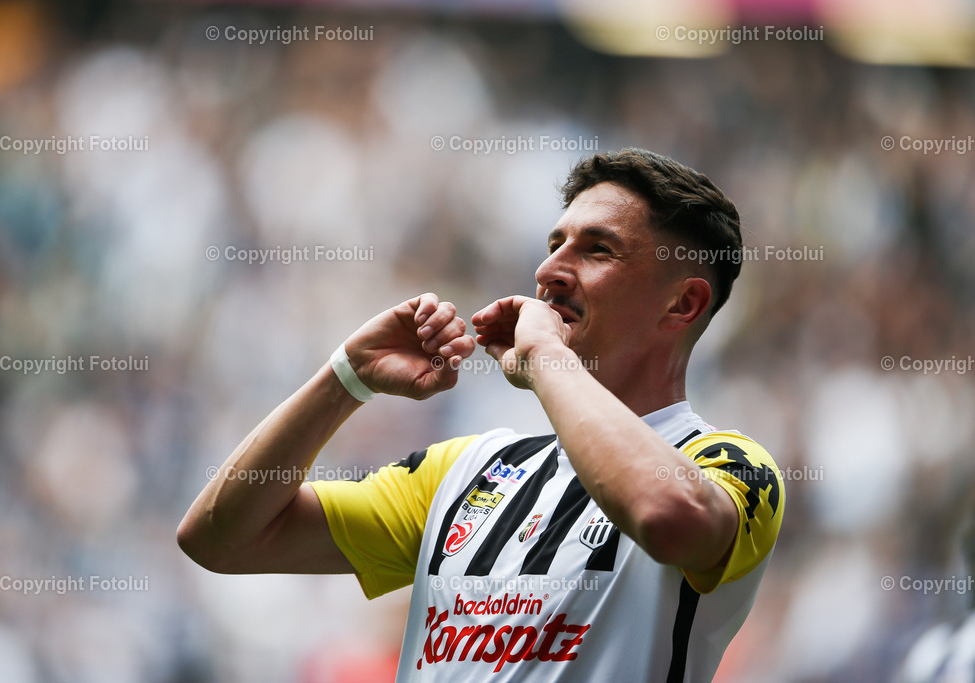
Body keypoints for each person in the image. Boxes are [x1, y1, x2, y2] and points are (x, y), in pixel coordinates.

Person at [178, 148, 785, 682]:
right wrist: (345, 378)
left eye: (599, 250)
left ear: (683, 303)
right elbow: (220, 539)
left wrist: (545, 356)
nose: (549, 271)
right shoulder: (466, 472)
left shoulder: (729, 465)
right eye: (554, 245)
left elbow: (664, 517)